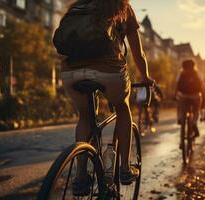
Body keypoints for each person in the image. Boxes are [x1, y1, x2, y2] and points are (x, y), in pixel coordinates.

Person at [58, 0, 154, 193]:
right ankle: (125, 169)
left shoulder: (77, 7)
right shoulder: (122, 7)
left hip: (70, 72)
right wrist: (146, 78)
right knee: (122, 107)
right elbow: (138, 53)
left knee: (85, 116)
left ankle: (80, 178)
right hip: (109, 70)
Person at [175, 60, 205, 145]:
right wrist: (204, 96)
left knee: (180, 107)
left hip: (183, 96)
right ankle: (194, 122)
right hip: (195, 96)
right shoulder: (197, 73)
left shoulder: (181, 73)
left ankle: (180, 119)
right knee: (196, 111)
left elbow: (177, 86)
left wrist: (175, 96)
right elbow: (203, 86)